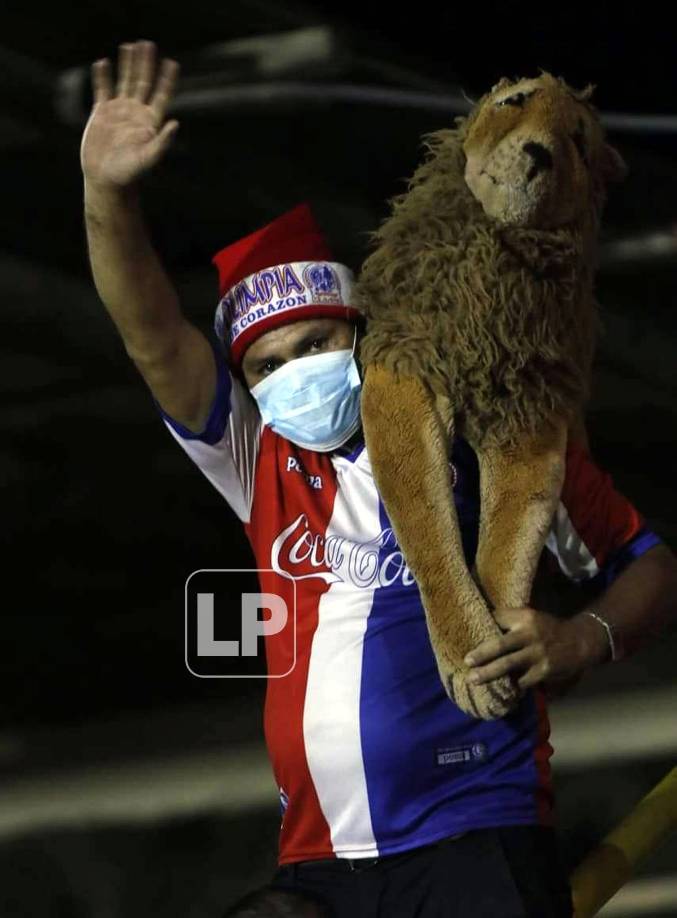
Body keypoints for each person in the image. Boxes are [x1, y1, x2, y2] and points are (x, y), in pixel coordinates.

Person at [81, 40, 677, 918]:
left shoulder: (490, 438)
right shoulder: (261, 463)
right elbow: (149, 334)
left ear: (362, 335)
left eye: (316, 345)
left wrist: (582, 637)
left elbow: (650, 565)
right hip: (313, 864)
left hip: (473, 835)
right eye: (267, 366)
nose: (295, 375)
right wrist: (106, 193)